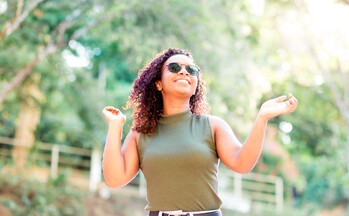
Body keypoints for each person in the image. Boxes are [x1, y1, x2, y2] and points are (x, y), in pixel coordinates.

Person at [101, 48, 298, 216]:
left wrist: (262, 118)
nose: (184, 72)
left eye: (191, 70)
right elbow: (114, 179)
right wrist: (115, 126)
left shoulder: (213, 126)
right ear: (158, 83)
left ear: (196, 86)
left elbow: (243, 163)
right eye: (175, 67)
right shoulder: (141, 133)